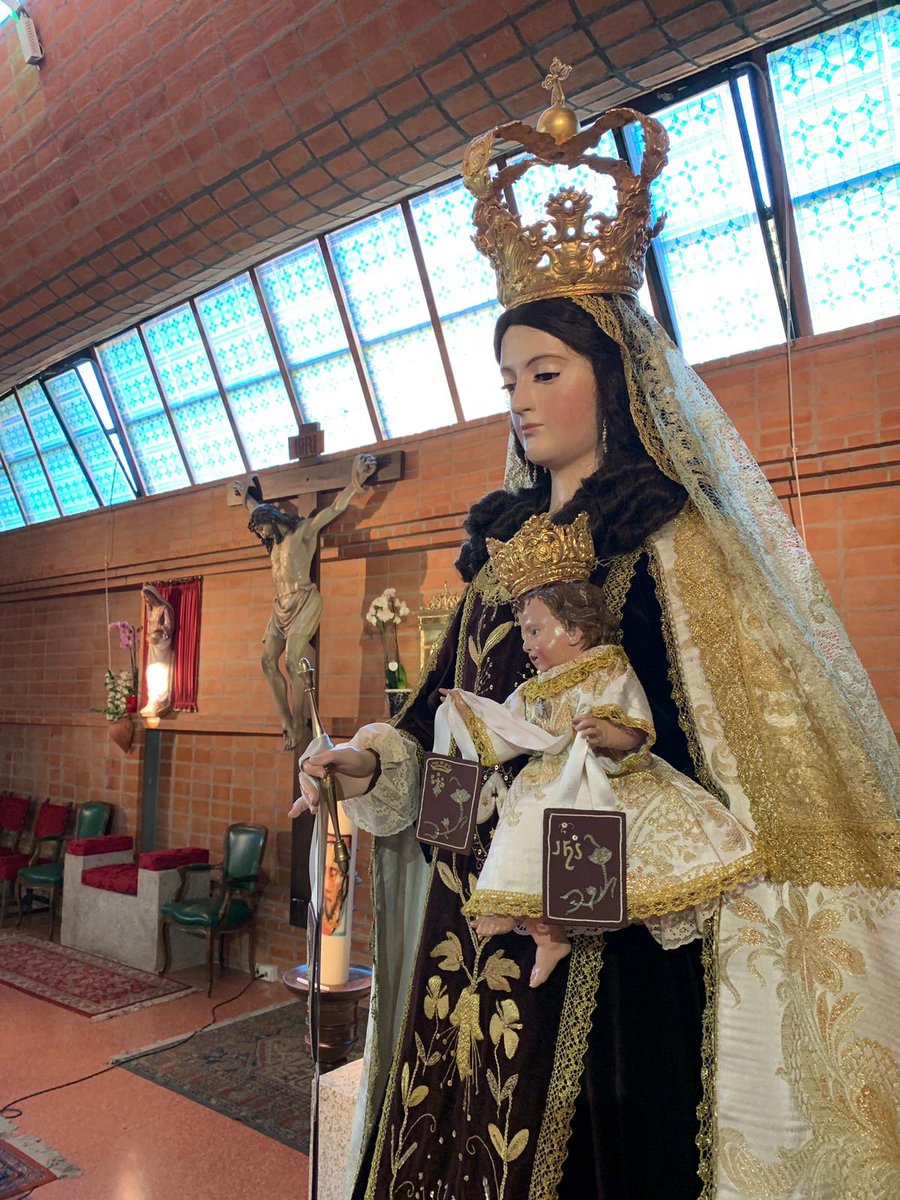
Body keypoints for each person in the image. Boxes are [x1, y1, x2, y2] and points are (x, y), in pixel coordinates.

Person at [297, 74, 898, 1200]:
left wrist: (599, 762)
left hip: (591, 895)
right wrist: (369, 759)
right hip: (458, 899)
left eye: (545, 372)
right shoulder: (498, 547)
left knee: (581, 1146)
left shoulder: (660, 534)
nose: (520, 399)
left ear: (610, 382)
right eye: (509, 378)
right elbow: (442, 707)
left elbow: (710, 728)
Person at [437, 511, 761, 988]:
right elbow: (508, 727)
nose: (526, 644)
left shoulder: (605, 666)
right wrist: (467, 709)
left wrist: (612, 734)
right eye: (523, 631)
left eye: (534, 630)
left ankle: (565, 923)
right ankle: (547, 935)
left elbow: (634, 718)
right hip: (545, 778)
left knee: (585, 846)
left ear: (576, 630)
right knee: (523, 834)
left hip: (603, 777)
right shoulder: (534, 689)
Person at [233, 453, 376, 749]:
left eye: (261, 528)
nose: (260, 534)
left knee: (293, 656)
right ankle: (285, 718)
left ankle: (298, 720)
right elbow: (256, 509)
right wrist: (245, 495)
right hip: (280, 605)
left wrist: (356, 481)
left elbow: (335, 507)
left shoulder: (304, 531)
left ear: (272, 521)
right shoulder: (272, 543)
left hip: (305, 598)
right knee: (266, 661)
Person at [140, 584, 176, 718]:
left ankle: (160, 700)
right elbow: (150, 626)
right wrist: (149, 635)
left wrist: (159, 633)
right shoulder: (150, 610)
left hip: (162, 643)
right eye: (144, 598)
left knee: (160, 669)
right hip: (152, 643)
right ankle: (152, 699)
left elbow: (169, 626)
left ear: (153, 595)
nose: (145, 600)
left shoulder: (164, 608)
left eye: (146, 597)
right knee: (151, 670)